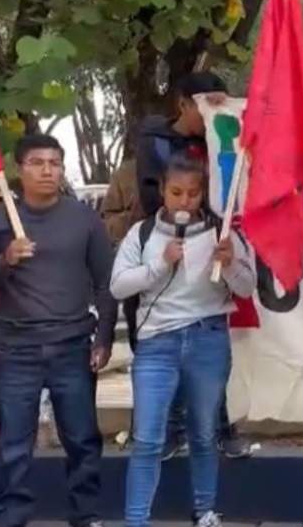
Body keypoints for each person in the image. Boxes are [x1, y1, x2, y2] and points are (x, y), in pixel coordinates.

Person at [0, 134, 115, 527]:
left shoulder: (83, 218)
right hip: (17, 349)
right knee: (14, 444)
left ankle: (86, 515)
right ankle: (12, 518)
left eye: (55, 163)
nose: (47, 170)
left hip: (73, 345)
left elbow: (105, 283)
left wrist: (104, 338)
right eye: (37, 162)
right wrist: (5, 259)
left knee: (82, 440)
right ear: (19, 169)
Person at [110, 152, 256, 527]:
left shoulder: (222, 232)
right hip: (158, 342)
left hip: (208, 339)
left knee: (204, 432)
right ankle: (136, 519)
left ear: (203, 193)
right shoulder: (142, 233)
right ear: (163, 191)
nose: (184, 201)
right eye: (176, 192)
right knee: (147, 437)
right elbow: (117, 285)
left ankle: (205, 511)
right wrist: (161, 263)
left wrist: (231, 263)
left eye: (193, 193)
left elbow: (246, 287)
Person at [135, 71, 252, 460]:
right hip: (169, 252)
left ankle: (222, 429)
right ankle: (168, 433)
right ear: (184, 104)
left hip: (214, 251)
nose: (213, 113)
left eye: (221, 103)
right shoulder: (157, 144)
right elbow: (156, 199)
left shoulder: (223, 136)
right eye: (206, 104)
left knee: (211, 348)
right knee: (167, 353)